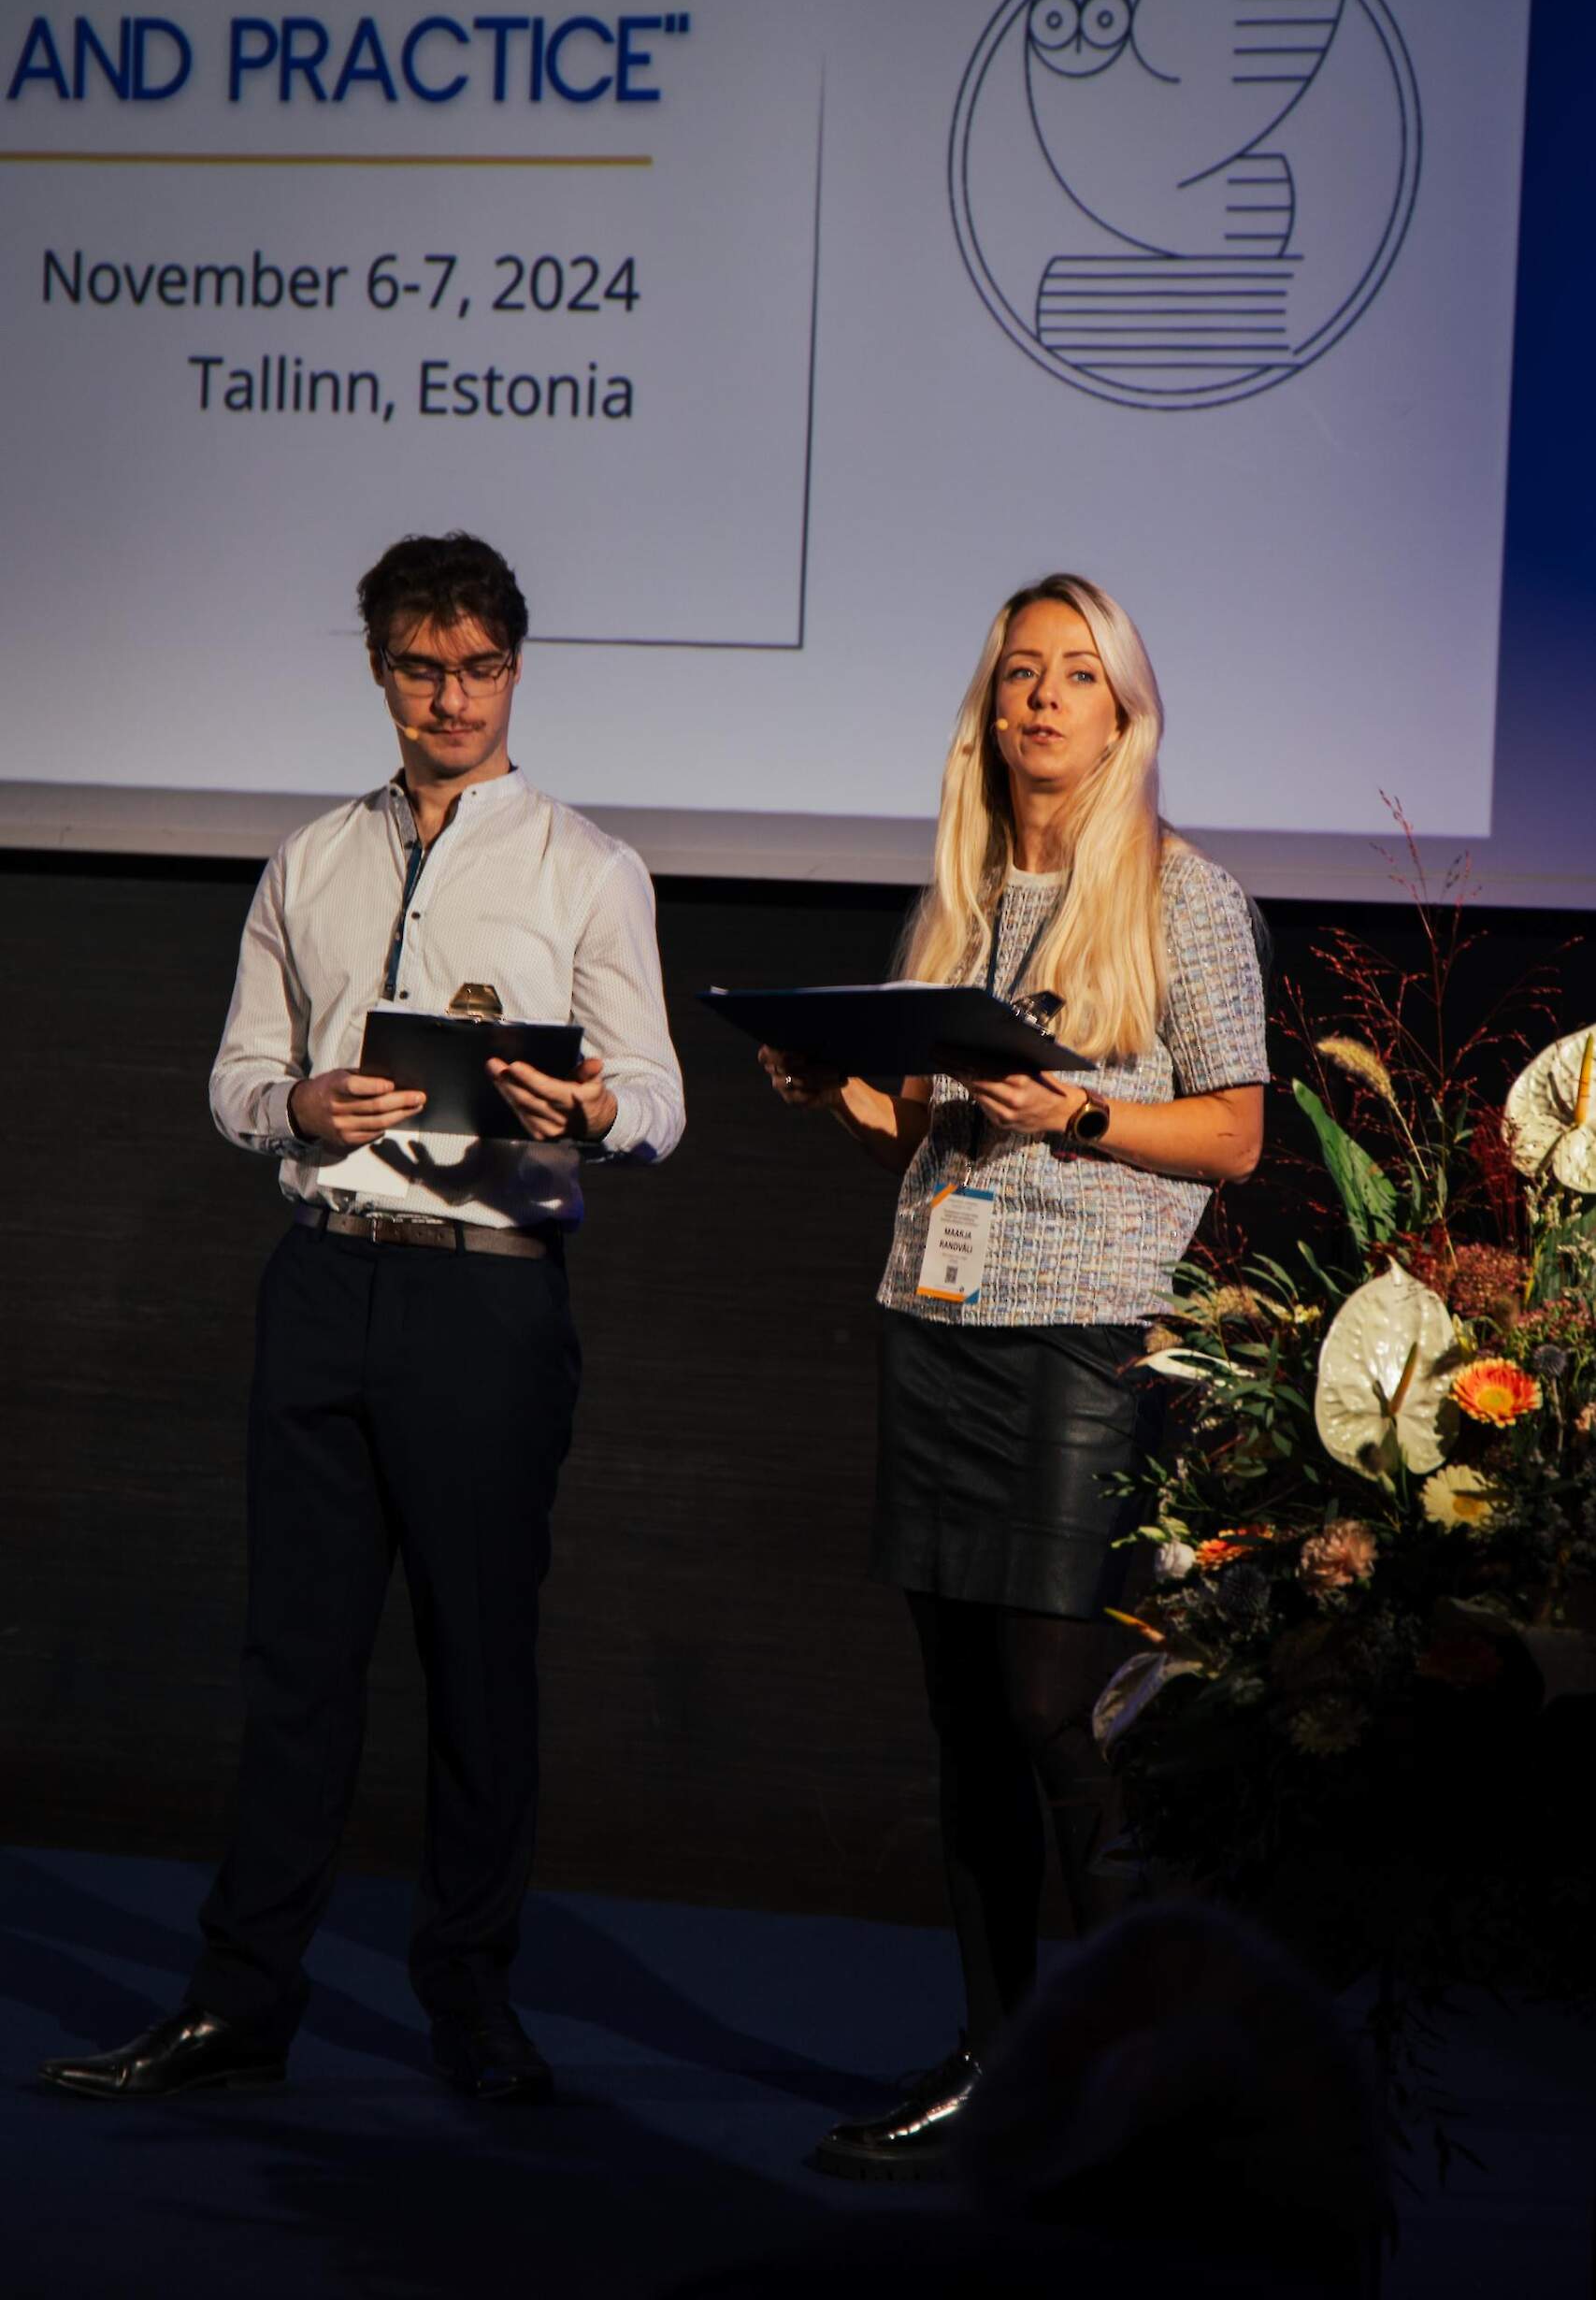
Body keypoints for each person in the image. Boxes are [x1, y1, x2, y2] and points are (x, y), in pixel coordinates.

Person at [40, 531, 684, 2105]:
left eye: (477, 668)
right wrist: (298, 1105)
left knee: (479, 1662)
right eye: (420, 668)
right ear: (380, 671)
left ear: (514, 671)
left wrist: (595, 1108)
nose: (450, 698)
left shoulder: (587, 867)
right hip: (326, 1275)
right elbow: (235, 1076)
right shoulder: (309, 859)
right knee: (297, 1660)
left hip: (489, 1291)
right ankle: (241, 2000)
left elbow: (661, 1099)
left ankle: (472, 2001)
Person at [758, 572, 1267, 2178]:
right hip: (939, 1322)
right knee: (967, 1718)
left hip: (1084, 1337)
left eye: (1076, 674)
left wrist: (1085, 1114)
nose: (1042, 698)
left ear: (1125, 713)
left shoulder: (1184, 894)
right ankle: (994, 2057)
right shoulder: (965, 901)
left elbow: (1237, 1133)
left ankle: (1146, 2078)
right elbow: (925, 1137)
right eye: (1020, 673)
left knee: (1056, 1709)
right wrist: (835, 1087)